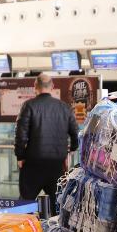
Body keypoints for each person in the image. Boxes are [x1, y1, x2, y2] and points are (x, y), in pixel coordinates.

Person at [16, 73, 79, 213]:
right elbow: (75, 132)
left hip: (33, 163)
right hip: (57, 164)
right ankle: (54, 227)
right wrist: (73, 149)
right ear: (52, 86)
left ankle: (27, 226)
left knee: (25, 204)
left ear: (35, 86)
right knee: (57, 204)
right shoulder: (64, 107)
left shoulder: (29, 106)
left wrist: (20, 156)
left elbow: (21, 135)